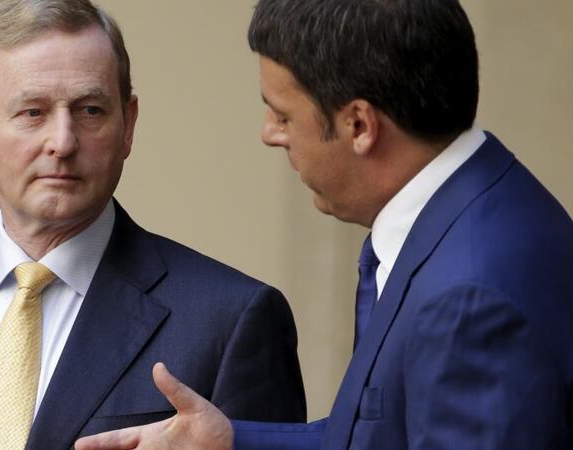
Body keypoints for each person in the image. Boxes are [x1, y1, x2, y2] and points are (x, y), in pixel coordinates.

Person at [75, 0, 573, 449]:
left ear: (359, 125)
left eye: (283, 116)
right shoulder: (480, 204)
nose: (270, 134)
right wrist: (229, 442)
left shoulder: (468, 300)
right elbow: (385, 433)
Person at [0, 0, 308, 448]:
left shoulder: (231, 320)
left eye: (90, 110)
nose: (63, 141)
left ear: (128, 125)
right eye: (33, 112)